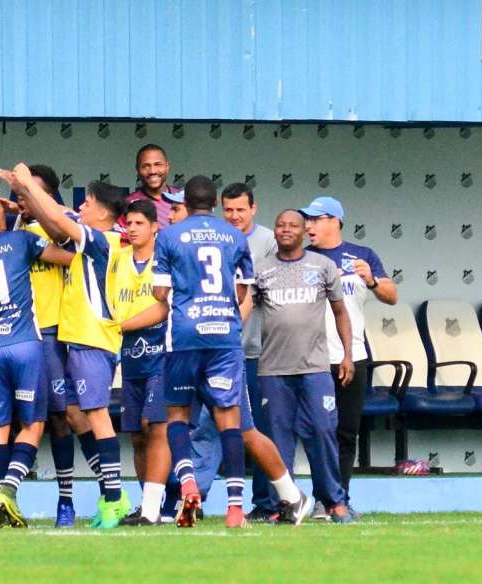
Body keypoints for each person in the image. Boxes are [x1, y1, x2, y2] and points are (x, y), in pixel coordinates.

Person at [150, 176, 312, 528]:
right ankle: (240, 507)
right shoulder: (235, 238)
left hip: (184, 338)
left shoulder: (168, 236)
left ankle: (189, 482)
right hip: (225, 340)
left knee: (178, 418)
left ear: (187, 205)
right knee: (237, 426)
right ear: (216, 205)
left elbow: (160, 294)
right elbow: (242, 295)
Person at [0, 163, 132, 528]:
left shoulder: (90, 237)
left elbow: (60, 219)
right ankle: (112, 496)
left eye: (87, 202)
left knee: (85, 416)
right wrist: (20, 200)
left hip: (84, 338)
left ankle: (111, 497)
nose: (82, 206)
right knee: (79, 415)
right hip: (65, 339)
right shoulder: (78, 234)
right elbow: (58, 218)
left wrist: (26, 184)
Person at [0, 203, 73, 527]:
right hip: (25, 345)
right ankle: (8, 491)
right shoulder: (24, 241)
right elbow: (70, 255)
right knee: (34, 424)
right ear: (0, 214)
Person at [249, 210, 355, 523]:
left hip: (315, 368)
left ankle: (334, 502)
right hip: (273, 369)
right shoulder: (261, 269)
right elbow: (245, 309)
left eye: (292, 225)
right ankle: (285, 504)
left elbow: (340, 313)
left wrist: (347, 354)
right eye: (280, 225)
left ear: (303, 230)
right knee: (278, 439)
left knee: (322, 432)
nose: (284, 230)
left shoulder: (323, 266)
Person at [11, 164, 100, 529]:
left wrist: (37, 200)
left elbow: (67, 241)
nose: (22, 200)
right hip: (19, 337)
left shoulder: (62, 224)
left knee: (67, 416)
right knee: (37, 419)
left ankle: (72, 498)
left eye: (30, 193)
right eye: (20, 193)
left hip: (55, 334)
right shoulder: (13, 230)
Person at [303, 196, 398, 518]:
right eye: (308, 220)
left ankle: (339, 499)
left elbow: (391, 295)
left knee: (346, 432)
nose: (308, 226)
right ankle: (319, 497)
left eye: (315, 219)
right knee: (318, 431)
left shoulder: (362, 255)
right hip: (311, 358)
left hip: (352, 355)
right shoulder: (302, 257)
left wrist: (371, 279)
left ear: (335, 221)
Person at [221, 183, 280, 521]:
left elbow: (256, 294)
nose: (234, 216)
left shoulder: (269, 241)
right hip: (219, 351)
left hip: (257, 351)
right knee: (212, 427)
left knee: (258, 427)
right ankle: (193, 497)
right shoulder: (216, 236)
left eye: (240, 209)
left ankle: (265, 502)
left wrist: (231, 328)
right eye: (228, 209)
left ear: (253, 209)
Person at [114, 200, 170, 525]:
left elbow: (164, 309)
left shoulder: (164, 261)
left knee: (155, 426)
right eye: (128, 223)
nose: (132, 229)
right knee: (136, 434)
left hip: (161, 355)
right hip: (130, 357)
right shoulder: (117, 260)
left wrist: (119, 326)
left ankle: (154, 506)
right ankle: (149, 504)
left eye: (138, 223)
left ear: (154, 227)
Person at [123, 144, 181, 232]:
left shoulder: (183, 198)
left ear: (167, 166)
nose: (152, 171)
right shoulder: (128, 203)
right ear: (137, 169)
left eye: (158, 164)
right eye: (146, 166)